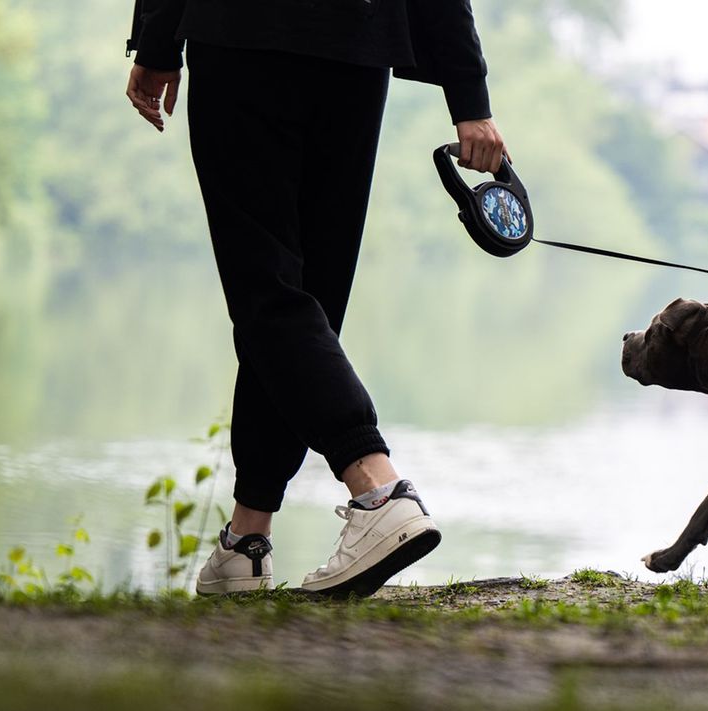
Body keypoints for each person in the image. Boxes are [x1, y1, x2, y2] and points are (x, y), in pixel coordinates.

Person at [124, 0, 508, 597]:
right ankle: (246, 540)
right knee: (306, 303)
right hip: (356, 48)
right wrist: (469, 100)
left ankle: (377, 487)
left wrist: (155, 42)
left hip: (242, 39)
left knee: (267, 290)